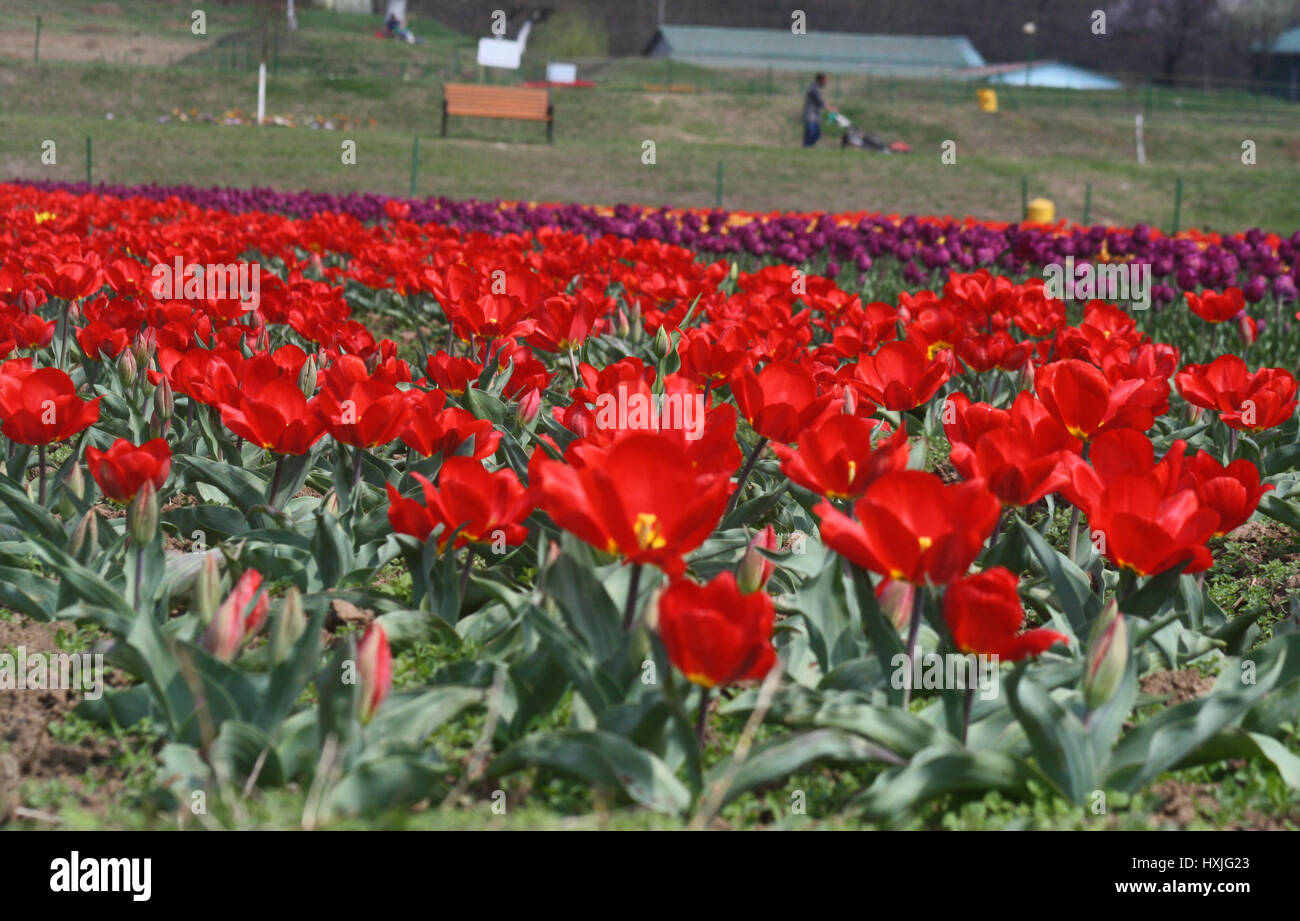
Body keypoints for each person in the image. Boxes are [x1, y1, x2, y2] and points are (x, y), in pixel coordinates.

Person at [802, 73, 836, 147]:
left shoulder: (815, 88)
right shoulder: (813, 89)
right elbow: (820, 102)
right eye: (825, 80)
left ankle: (807, 148)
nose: (826, 83)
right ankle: (807, 148)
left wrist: (830, 108)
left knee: (816, 134)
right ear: (820, 80)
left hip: (815, 117)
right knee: (812, 134)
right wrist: (831, 109)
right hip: (810, 117)